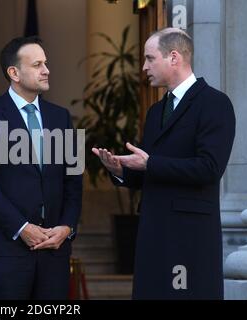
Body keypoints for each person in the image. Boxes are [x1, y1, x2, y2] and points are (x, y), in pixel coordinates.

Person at [93, 28, 236, 299]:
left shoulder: (214, 103)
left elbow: (210, 168)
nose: (144, 67)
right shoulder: (156, 110)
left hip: (188, 237)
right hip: (153, 233)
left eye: (149, 58)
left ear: (173, 58)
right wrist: (120, 170)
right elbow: (149, 170)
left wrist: (151, 164)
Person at [0, 36, 83, 299]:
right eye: (38, 64)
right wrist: (22, 228)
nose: (47, 70)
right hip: (7, 252)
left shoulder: (60, 116)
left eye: (46, 63)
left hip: (55, 251)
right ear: (14, 73)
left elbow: (74, 180)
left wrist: (67, 226)